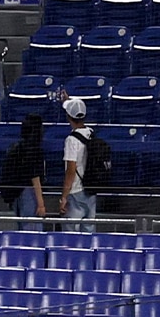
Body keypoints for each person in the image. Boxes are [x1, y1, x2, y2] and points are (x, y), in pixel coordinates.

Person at [0, 114, 48, 228]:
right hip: (28, 193)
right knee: (32, 230)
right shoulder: (34, 149)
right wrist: (41, 204)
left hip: (16, 194)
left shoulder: (16, 147)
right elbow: (35, 178)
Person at [58, 96, 97, 231]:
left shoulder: (71, 140)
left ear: (69, 117)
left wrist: (64, 197)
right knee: (88, 234)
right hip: (90, 191)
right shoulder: (91, 133)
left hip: (75, 192)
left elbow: (71, 170)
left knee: (70, 236)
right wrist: (69, 101)